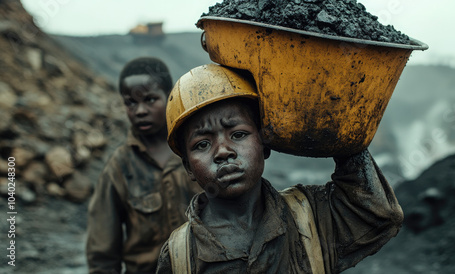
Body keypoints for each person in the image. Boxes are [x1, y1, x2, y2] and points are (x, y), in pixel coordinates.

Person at [156, 64, 404, 273]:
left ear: (265, 144)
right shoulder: (180, 257)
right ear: (188, 166)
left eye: (239, 134)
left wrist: (341, 129)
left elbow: (378, 213)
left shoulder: (312, 217)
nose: (223, 151)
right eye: (202, 144)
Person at [86, 57, 201, 274]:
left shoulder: (197, 150)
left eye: (150, 99)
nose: (140, 111)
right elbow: (102, 253)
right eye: (131, 102)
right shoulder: (119, 167)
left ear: (170, 97)